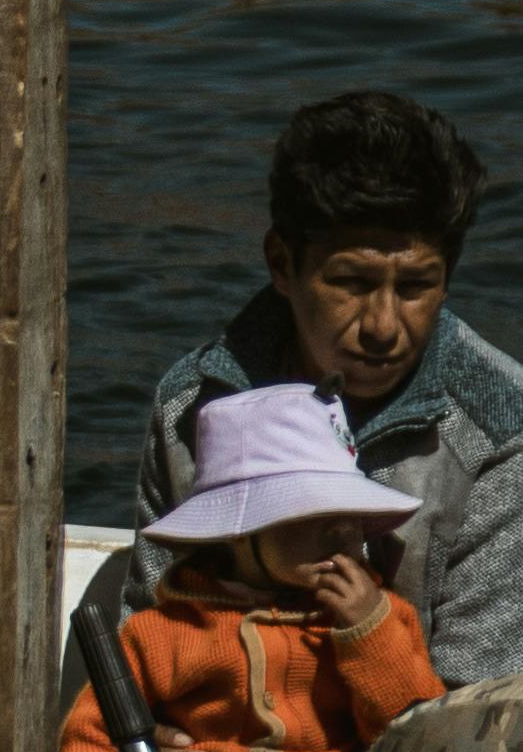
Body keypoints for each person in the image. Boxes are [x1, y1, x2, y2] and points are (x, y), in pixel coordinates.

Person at [135, 94, 520, 683]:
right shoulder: (194, 403)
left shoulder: (502, 428)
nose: (384, 327)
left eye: (416, 286)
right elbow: (147, 624)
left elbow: (472, 698)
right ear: (281, 263)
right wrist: (163, 735)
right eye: (350, 281)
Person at [64, 377, 446, 752]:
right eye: (314, 515)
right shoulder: (165, 633)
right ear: (239, 533)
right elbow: (87, 740)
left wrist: (369, 634)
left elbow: (417, 739)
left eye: (352, 514)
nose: (343, 532)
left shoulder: (382, 618)